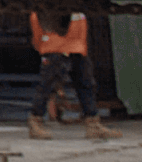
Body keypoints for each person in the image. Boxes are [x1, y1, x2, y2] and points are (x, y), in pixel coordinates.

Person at [26, 8, 114, 140]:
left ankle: (93, 124)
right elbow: (37, 25)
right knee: (47, 86)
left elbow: (81, 27)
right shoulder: (47, 6)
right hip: (55, 47)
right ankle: (35, 121)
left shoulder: (76, 6)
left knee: (86, 85)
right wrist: (44, 48)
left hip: (75, 48)